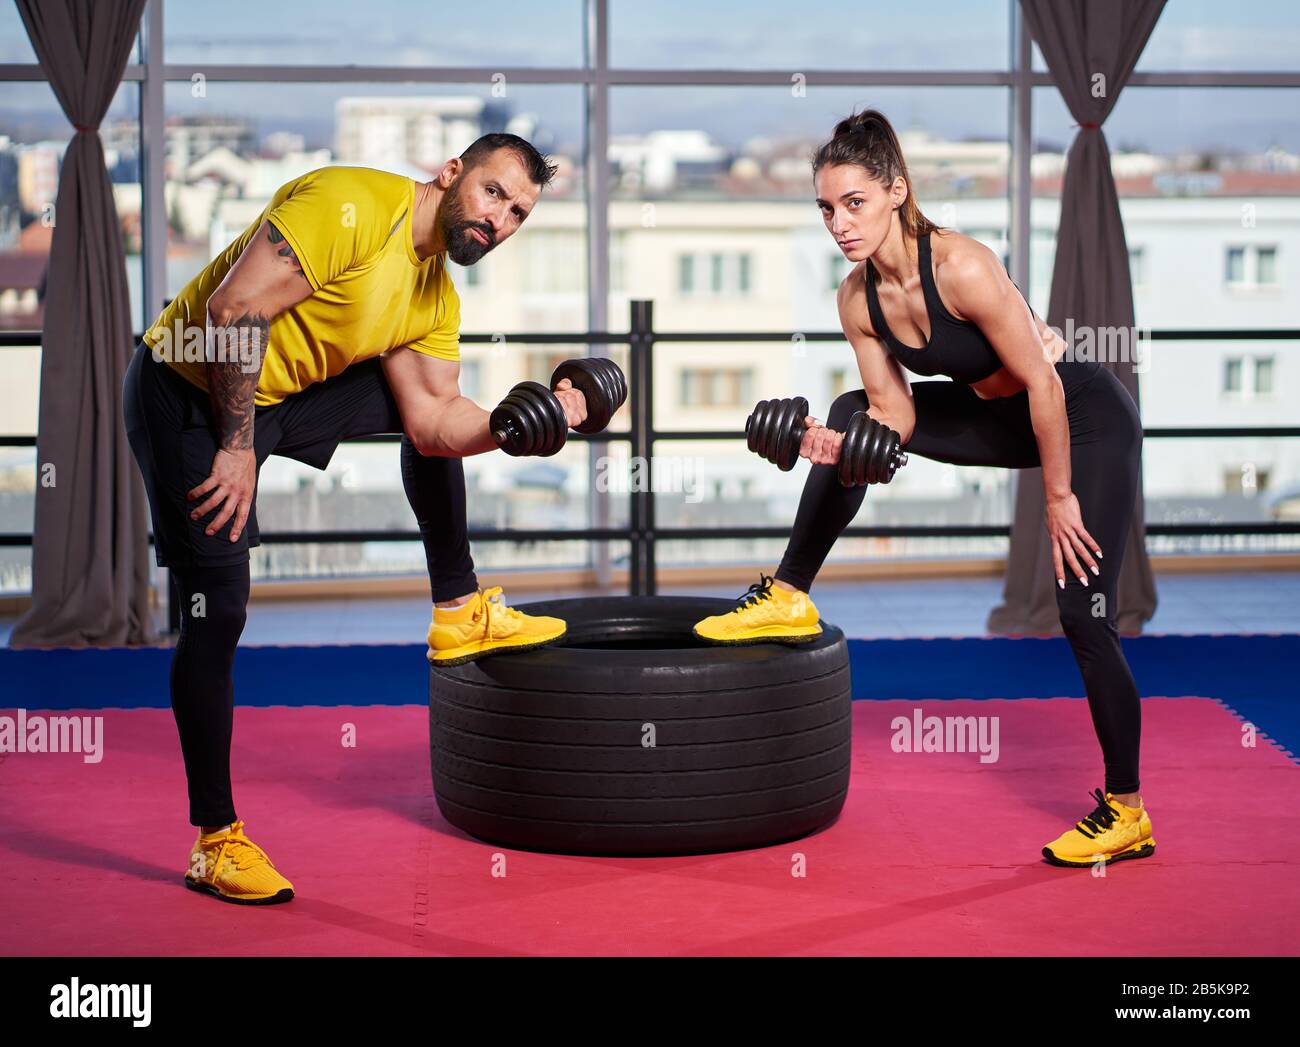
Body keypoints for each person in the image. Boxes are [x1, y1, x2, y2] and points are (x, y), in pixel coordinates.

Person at [124, 134, 588, 904]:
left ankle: (459, 607)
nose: (500, 220)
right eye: (493, 194)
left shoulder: (435, 294)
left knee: (420, 412)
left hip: (277, 396)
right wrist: (235, 447)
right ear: (450, 175)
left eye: (518, 215)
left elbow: (438, 421)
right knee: (219, 610)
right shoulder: (351, 207)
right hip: (188, 389)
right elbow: (230, 308)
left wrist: (522, 422)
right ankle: (215, 839)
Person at [693, 110, 1154, 868]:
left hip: (1082, 414)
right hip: (992, 417)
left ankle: (1127, 808)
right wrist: (829, 446)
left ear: (896, 192)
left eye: (854, 203)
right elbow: (895, 417)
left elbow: (1041, 378)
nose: (839, 223)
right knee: (846, 411)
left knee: (1082, 608)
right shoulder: (856, 300)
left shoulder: (961, 266)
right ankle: (787, 591)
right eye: (826, 208)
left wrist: (1057, 498)